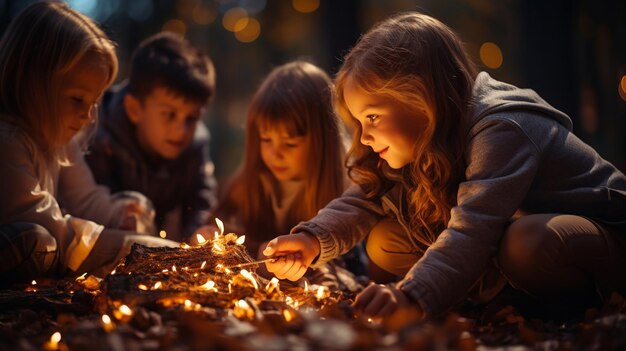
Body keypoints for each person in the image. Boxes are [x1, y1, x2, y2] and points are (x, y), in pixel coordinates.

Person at [262, 12, 626, 319]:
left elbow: (472, 230)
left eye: (372, 116)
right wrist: (311, 239)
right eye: (358, 123)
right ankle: (501, 302)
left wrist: (413, 297)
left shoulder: (502, 127)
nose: (365, 136)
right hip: (508, 243)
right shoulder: (420, 135)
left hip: (605, 237)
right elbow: (363, 198)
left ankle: (572, 312)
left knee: (527, 243)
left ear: (422, 98)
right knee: (387, 240)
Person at [0, 2, 177, 285]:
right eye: (76, 100)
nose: (87, 116)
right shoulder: (7, 142)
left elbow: (86, 198)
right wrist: (133, 246)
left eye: (93, 102)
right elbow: (51, 225)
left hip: (57, 238)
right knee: (35, 240)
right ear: (32, 83)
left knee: (133, 205)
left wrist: (123, 215)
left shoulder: (59, 137)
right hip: (34, 239)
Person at [211, 61, 364, 285]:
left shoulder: (347, 190)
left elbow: (347, 272)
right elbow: (229, 228)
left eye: (290, 143)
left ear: (322, 141)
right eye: (265, 140)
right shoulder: (251, 182)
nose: (276, 153)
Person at [85, 32, 217, 242]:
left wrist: (196, 232)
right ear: (134, 109)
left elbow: (201, 197)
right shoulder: (100, 138)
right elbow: (91, 208)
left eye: (192, 118)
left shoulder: (196, 143)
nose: (181, 130)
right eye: (169, 115)